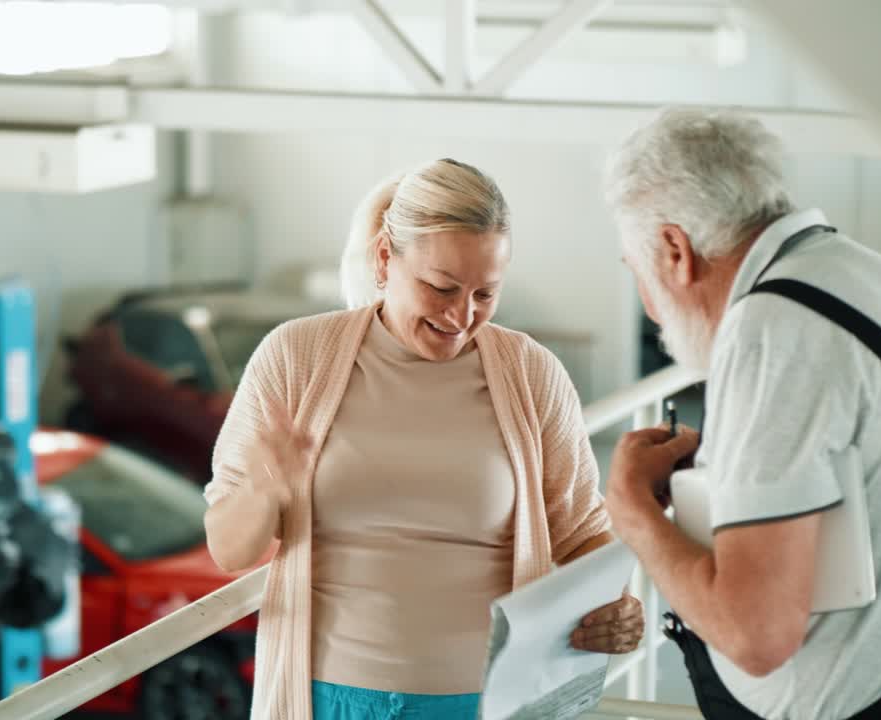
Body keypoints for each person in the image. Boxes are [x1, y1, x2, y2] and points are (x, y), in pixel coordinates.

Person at [602, 108, 881, 720]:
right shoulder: (877, 282)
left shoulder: (774, 329)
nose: (652, 308)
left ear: (673, 249)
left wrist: (635, 513)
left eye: (637, 273)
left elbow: (756, 635)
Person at [203, 158, 644, 720]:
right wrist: (265, 493)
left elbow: (583, 536)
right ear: (386, 259)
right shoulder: (295, 358)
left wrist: (617, 607)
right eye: (441, 287)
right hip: (328, 698)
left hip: (483, 700)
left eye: (486, 294)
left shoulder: (532, 374)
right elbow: (227, 549)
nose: (462, 316)